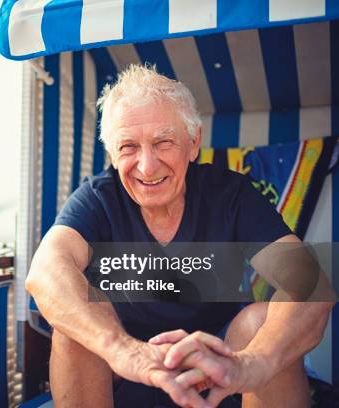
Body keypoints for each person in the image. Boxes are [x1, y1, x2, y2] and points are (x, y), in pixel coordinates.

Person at [25, 64, 334, 408]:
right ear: (112, 154)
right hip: (127, 372)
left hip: (220, 373)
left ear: (193, 142)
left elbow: (311, 283)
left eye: (163, 142)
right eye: (128, 147)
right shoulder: (99, 198)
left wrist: (253, 362)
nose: (147, 166)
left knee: (259, 321)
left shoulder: (229, 194)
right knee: (75, 330)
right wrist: (127, 352)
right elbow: (45, 272)